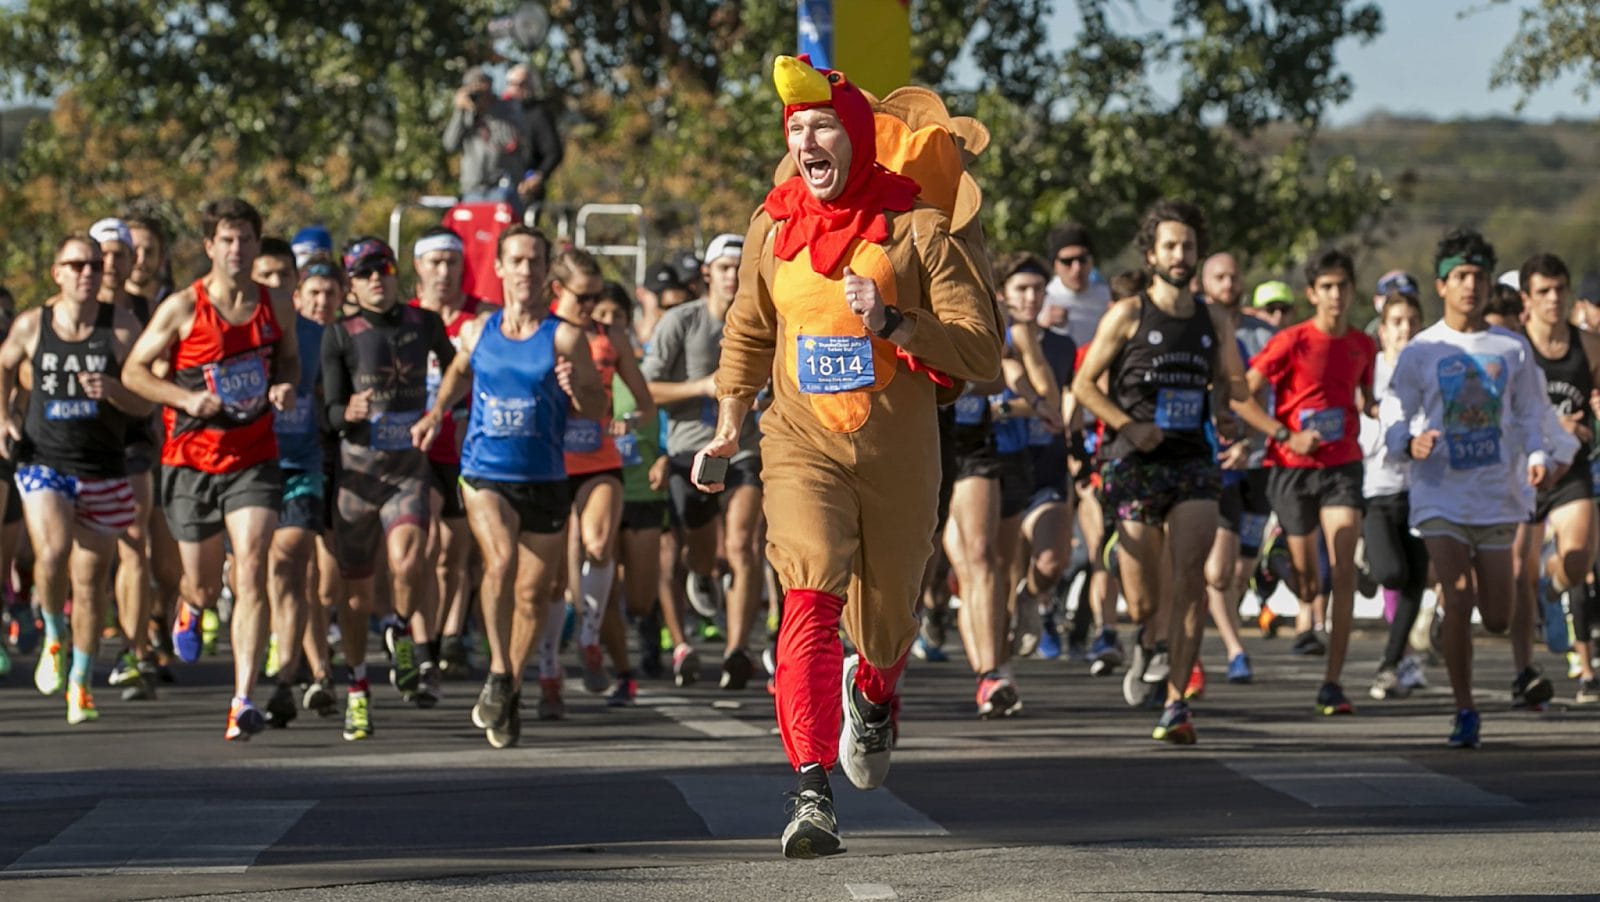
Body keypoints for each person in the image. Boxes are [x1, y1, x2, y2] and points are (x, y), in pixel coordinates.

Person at [698, 55, 1002, 858]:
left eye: (822, 126)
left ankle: (875, 694)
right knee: (809, 585)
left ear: (858, 137)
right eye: (795, 131)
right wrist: (729, 424)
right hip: (800, 443)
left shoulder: (918, 227)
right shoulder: (772, 223)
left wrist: (896, 320)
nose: (806, 142)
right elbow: (748, 331)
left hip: (899, 452)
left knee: (889, 620)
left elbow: (983, 351)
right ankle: (809, 788)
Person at [1072, 199, 1282, 744]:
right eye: (1170, 246)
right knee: (1144, 602)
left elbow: (1232, 386)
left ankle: (1176, 703)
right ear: (1152, 253)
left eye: (1188, 246)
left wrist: (1235, 420)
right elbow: (1085, 384)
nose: (1181, 255)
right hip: (1136, 460)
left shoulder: (1214, 319)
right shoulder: (1128, 314)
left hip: (1192, 461)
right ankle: (1145, 631)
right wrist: (1127, 425)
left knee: (1190, 579)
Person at [413, 224, 607, 747]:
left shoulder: (565, 337)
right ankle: (500, 671)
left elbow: (596, 407)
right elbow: (457, 371)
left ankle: (510, 685)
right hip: (484, 472)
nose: (525, 270)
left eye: (534, 261)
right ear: (498, 268)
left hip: (543, 476)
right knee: (499, 562)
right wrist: (436, 414)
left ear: (546, 273)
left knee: (533, 594)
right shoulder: (478, 331)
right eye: (516, 260)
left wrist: (577, 389)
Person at [122, 197, 300, 741]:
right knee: (200, 582)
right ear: (209, 247)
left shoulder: (276, 304)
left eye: (246, 239)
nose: (237, 249)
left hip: (253, 456)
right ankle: (189, 607)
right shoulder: (182, 306)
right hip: (190, 461)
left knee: (250, 566)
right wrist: (182, 397)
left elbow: (289, 356)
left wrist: (285, 383)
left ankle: (242, 699)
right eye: (227, 240)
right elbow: (132, 372)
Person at [1380, 227, 1567, 748]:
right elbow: (1397, 409)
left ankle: (1447, 616)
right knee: (1460, 596)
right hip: (1439, 491)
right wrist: (1408, 440)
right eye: (1460, 276)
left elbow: (1532, 413)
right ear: (1441, 285)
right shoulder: (1423, 349)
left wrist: (1536, 455)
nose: (1471, 285)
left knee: (1499, 616)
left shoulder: (1511, 349)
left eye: (1479, 276)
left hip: (1495, 494)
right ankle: (1465, 709)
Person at [0, 233, 151, 724]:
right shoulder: (32, 325)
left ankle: (80, 681)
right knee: (53, 549)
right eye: (77, 264)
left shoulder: (123, 327)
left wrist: (114, 391)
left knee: (89, 584)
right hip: (43, 459)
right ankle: (51, 633)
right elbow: (2, 365)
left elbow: (145, 401)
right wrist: (3, 416)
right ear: (57, 273)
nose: (88, 272)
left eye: (94, 264)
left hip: (104, 466)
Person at [322, 238, 456, 739]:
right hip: (356, 478)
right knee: (353, 599)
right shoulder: (341, 334)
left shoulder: (425, 323)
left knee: (409, 559)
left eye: (384, 268)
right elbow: (330, 409)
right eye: (364, 273)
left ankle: (399, 625)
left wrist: (438, 410)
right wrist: (345, 413)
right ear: (350, 284)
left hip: (407, 471)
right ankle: (357, 688)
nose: (377, 278)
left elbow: (457, 371)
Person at [1247, 249, 1378, 716]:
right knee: (1308, 582)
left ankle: (1333, 681)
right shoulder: (1291, 341)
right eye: (1327, 287)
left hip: (1342, 466)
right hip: (1291, 466)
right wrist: (1285, 433)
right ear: (1311, 293)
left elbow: (1368, 398)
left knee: (1342, 569)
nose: (1336, 295)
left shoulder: (1364, 344)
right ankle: (1285, 562)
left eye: (1343, 286)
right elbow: (1245, 393)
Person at [642, 233, 766, 690]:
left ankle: (736, 651)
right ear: (708, 274)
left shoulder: (764, 322)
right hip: (690, 452)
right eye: (725, 267)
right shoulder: (680, 322)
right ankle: (702, 578)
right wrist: (702, 387)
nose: (734, 276)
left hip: (745, 451)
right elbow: (646, 389)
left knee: (743, 546)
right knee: (697, 554)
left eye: (741, 267)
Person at [542, 247, 655, 708]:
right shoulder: (539, 334)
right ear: (558, 292)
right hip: (548, 462)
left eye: (595, 298)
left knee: (599, 542)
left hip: (599, 458)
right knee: (551, 580)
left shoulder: (611, 339)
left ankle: (589, 638)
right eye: (582, 298)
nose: (590, 308)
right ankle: (549, 670)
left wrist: (628, 421)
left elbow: (646, 404)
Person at [1517, 253, 1600, 705]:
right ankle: (1524, 670)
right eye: (1544, 292)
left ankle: (1555, 585)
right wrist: (1553, 423)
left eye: (1560, 290)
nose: (1554, 299)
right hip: (1523, 473)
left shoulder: (1587, 346)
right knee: (1516, 578)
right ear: (1527, 299)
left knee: (1579, 559)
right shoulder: (1514, 348)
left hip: (1572, 469)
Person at [266, 258, 343, 724]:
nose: (321, 302)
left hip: (328, 462)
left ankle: (316, 669)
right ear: (297, 296)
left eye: (330, 294)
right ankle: (298, 672)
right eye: (313, 293)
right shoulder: (272, 332)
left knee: (322, 582)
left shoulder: (343, 338)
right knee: (288, 566)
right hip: (267, 466)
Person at [407, 226, 485, 678]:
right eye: (434, 262)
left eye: (451, 262)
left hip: (466, 447)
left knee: (455, 553)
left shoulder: (480, 320)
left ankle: (450, 636)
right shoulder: (409, 317)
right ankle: (424, 640)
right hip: (417, 448)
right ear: (418, 266)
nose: (443, 271)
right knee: (425, 543)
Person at [1361, 290, 1430, 700]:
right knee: (1390, 572)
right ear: (1383, 330)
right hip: (1378, 491)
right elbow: (1362, 432)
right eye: (1397, 322)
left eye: (1412, 321)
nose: (1405, 329)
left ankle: (1390, 665)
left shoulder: (1430, 370)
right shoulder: (1368, 374)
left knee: (1414, 583)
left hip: (1420, 491)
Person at [443, 67, 529, 212]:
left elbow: (509, 140)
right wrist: (459, 112)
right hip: (472, 190)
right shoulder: (466, 113)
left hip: (502, 189)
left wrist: (488, 111)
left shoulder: (506, 109)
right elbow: (449, 144)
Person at [503, 64, 564, 216]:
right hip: (498, 188)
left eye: (521, 84)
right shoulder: (500, 112)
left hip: (525, 190)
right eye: (512, 83)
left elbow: (553, 152)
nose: (516, 88)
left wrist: (537, 177)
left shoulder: (538, 114)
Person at [1041, 223, 1111, 348]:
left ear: (1092, 260)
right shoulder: (1040, 300)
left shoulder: (1108, 297)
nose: (1077, 268)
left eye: (1082, 259)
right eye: (1067, 261)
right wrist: (1040, 328)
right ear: (1054, 265)